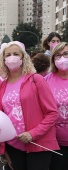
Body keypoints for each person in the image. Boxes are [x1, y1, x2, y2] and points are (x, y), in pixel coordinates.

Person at [0, 41, 59, 170]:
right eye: (8, 55)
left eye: (15, 54)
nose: (11, 57)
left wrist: (33, 133)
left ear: (23, 57)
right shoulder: (2, 85)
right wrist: (4, 148)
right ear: (3, 59)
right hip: (13, 145)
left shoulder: (36, 80)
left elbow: (52, 113)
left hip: (38, 144)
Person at [45, 42, 68, 170]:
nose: (62, 58)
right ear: (53, 60)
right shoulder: (46, 81)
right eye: (58, 56)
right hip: (55, 142)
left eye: (66, 54)